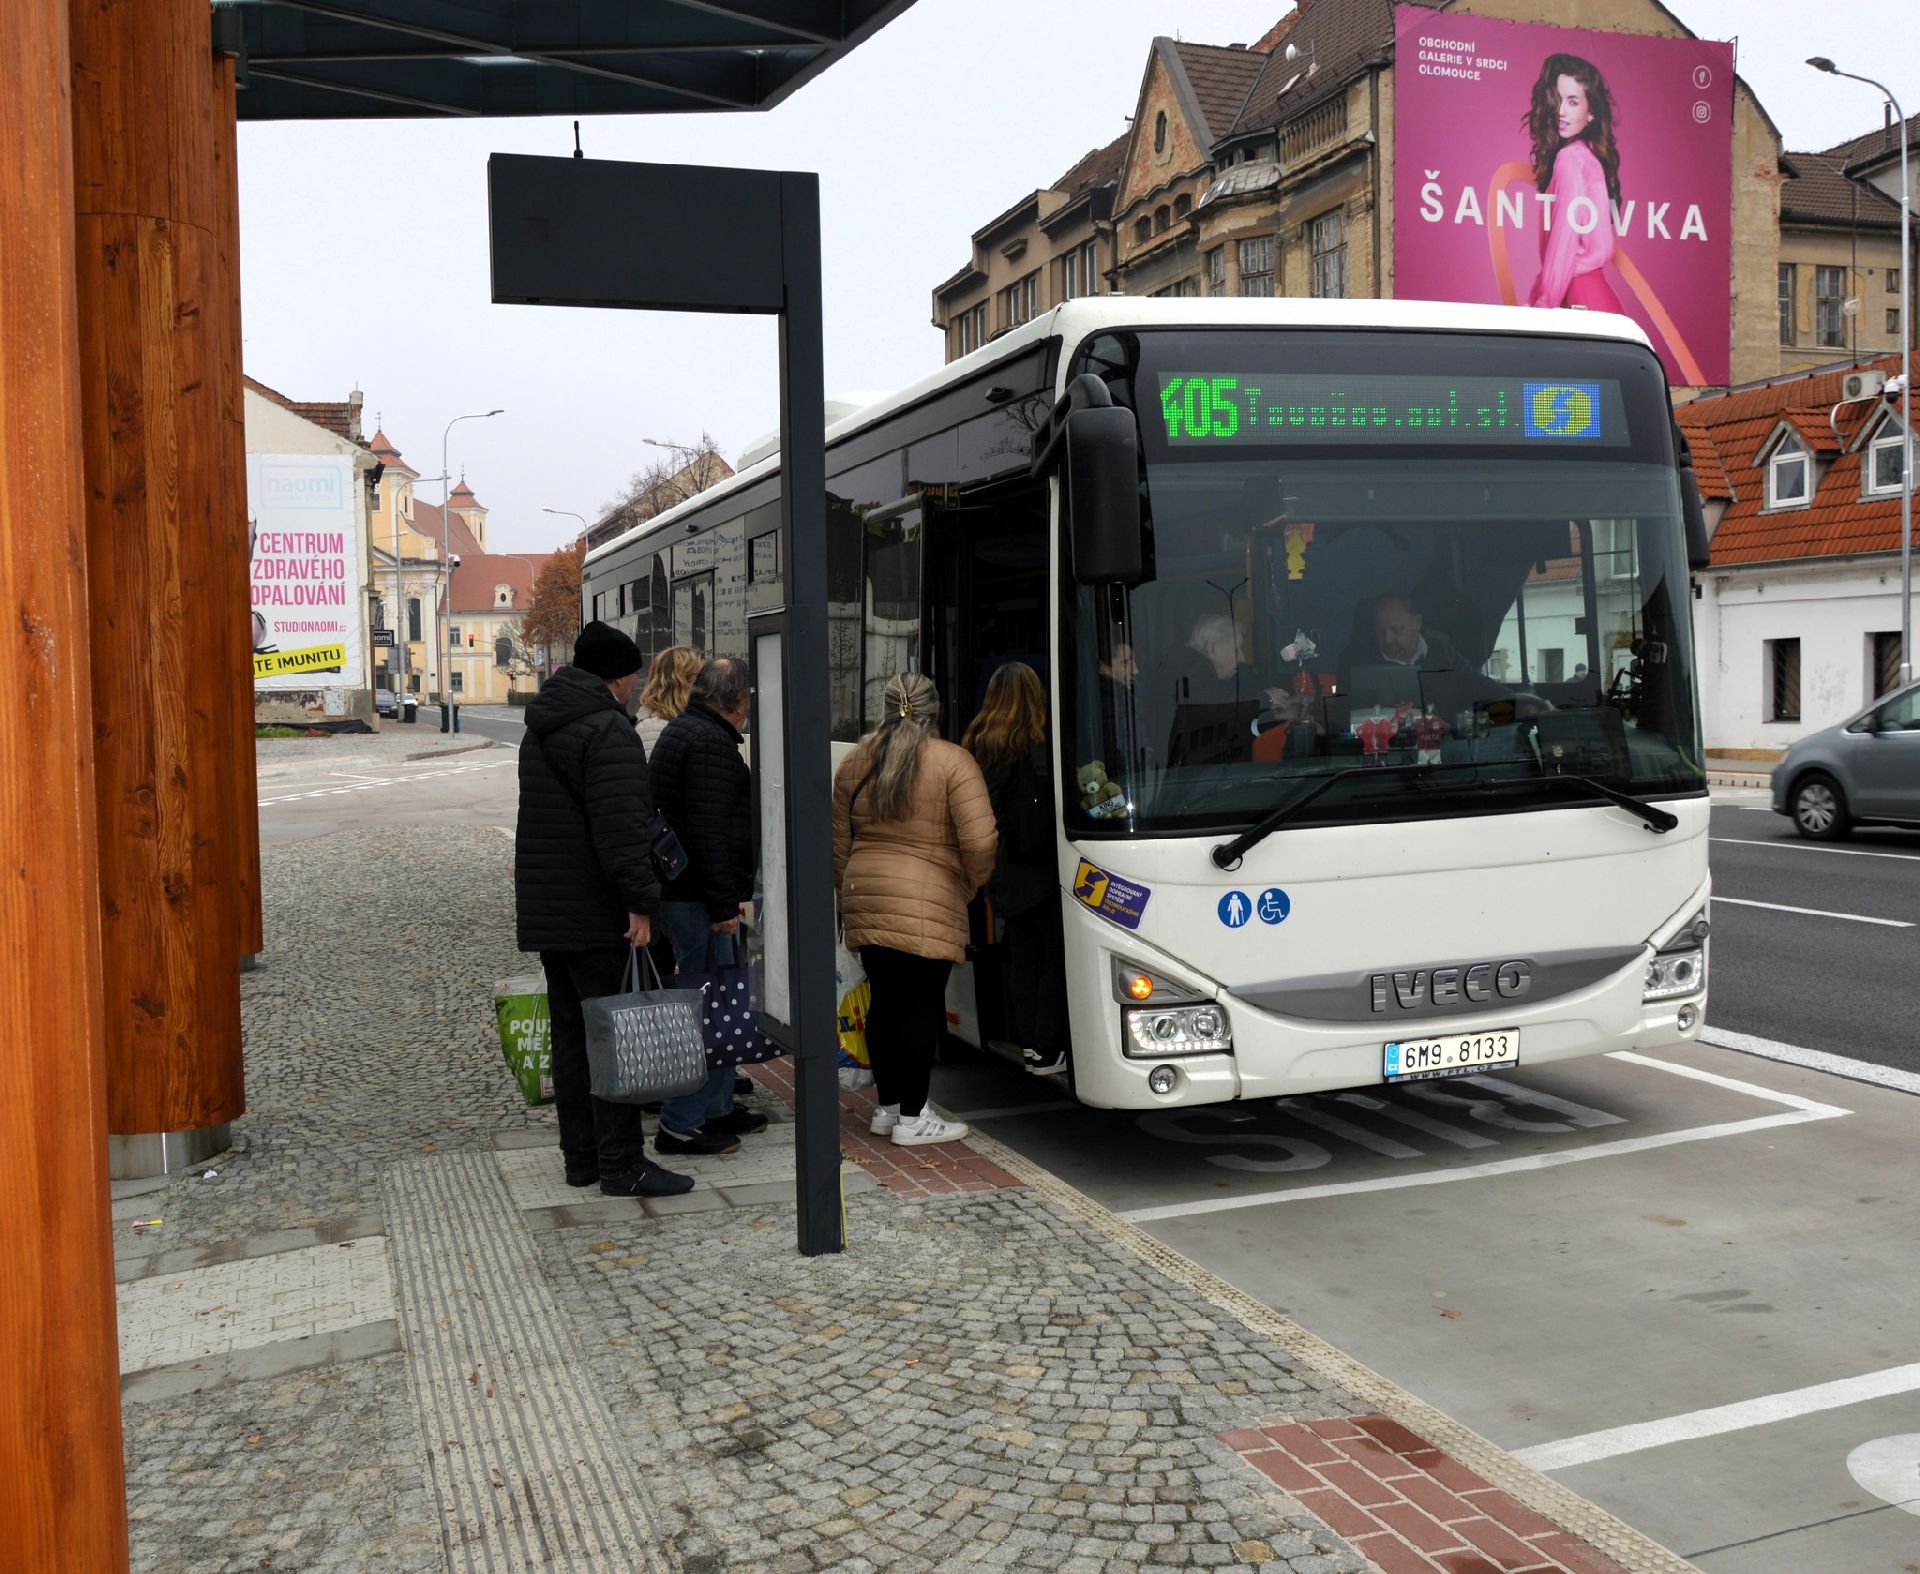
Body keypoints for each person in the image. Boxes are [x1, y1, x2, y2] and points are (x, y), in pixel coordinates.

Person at [515, 620, 693, 1199]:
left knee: (572, 1038)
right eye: (633, 674)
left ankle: (583, 1159)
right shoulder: (607, 732)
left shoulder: (542, 727)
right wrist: (641, 903)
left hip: (553, 912)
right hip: (598, 913)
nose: (637, 684)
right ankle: (623, 1165)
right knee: (615, 1034)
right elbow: (621, 831)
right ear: (617, 677)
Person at [833, 673, 997, 1146]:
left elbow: (839, 846)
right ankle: (913, 1117)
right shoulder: (953, 762)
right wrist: (968, 883)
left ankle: (886, 1108)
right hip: (929, 899)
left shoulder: (854, 763)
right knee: (922, 1009)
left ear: (883, 709)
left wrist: (853, 895)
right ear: (936, 711)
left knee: (885, 1006)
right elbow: (981, 840)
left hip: (867, 897)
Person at [646, 655, 763, 1156]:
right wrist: (723, 908)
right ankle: (682, 1123)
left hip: (681, 893)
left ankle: (714, 1110)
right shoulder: (711, 744)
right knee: (707, 1011)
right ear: (735, 700)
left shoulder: (684, 731)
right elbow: (713, 836)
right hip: (698, 900)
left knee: (713, 1005)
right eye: (747, 700)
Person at [962, 662, 1067, 1073]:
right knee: (1055, 955)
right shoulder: (1036, 741)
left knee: (1023, 953)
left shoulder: (977, 740)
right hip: (1035, 868)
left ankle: (1027, 1043)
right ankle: (1045, 1046)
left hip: (998, 868)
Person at [1523, 53, 1624, 313]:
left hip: (1579, 298)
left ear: (1591, 113)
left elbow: (1562, 248)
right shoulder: (1589, 159)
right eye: (1558, 99)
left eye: (1573, 101)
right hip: (1598, 300)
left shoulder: (1569, 160)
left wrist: (1543, 306)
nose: (1561, 111)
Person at [637, 644, 702, 758]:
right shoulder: (653, 727)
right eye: (700, 677)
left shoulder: (681, 720)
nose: (704, 684)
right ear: (680, 681)